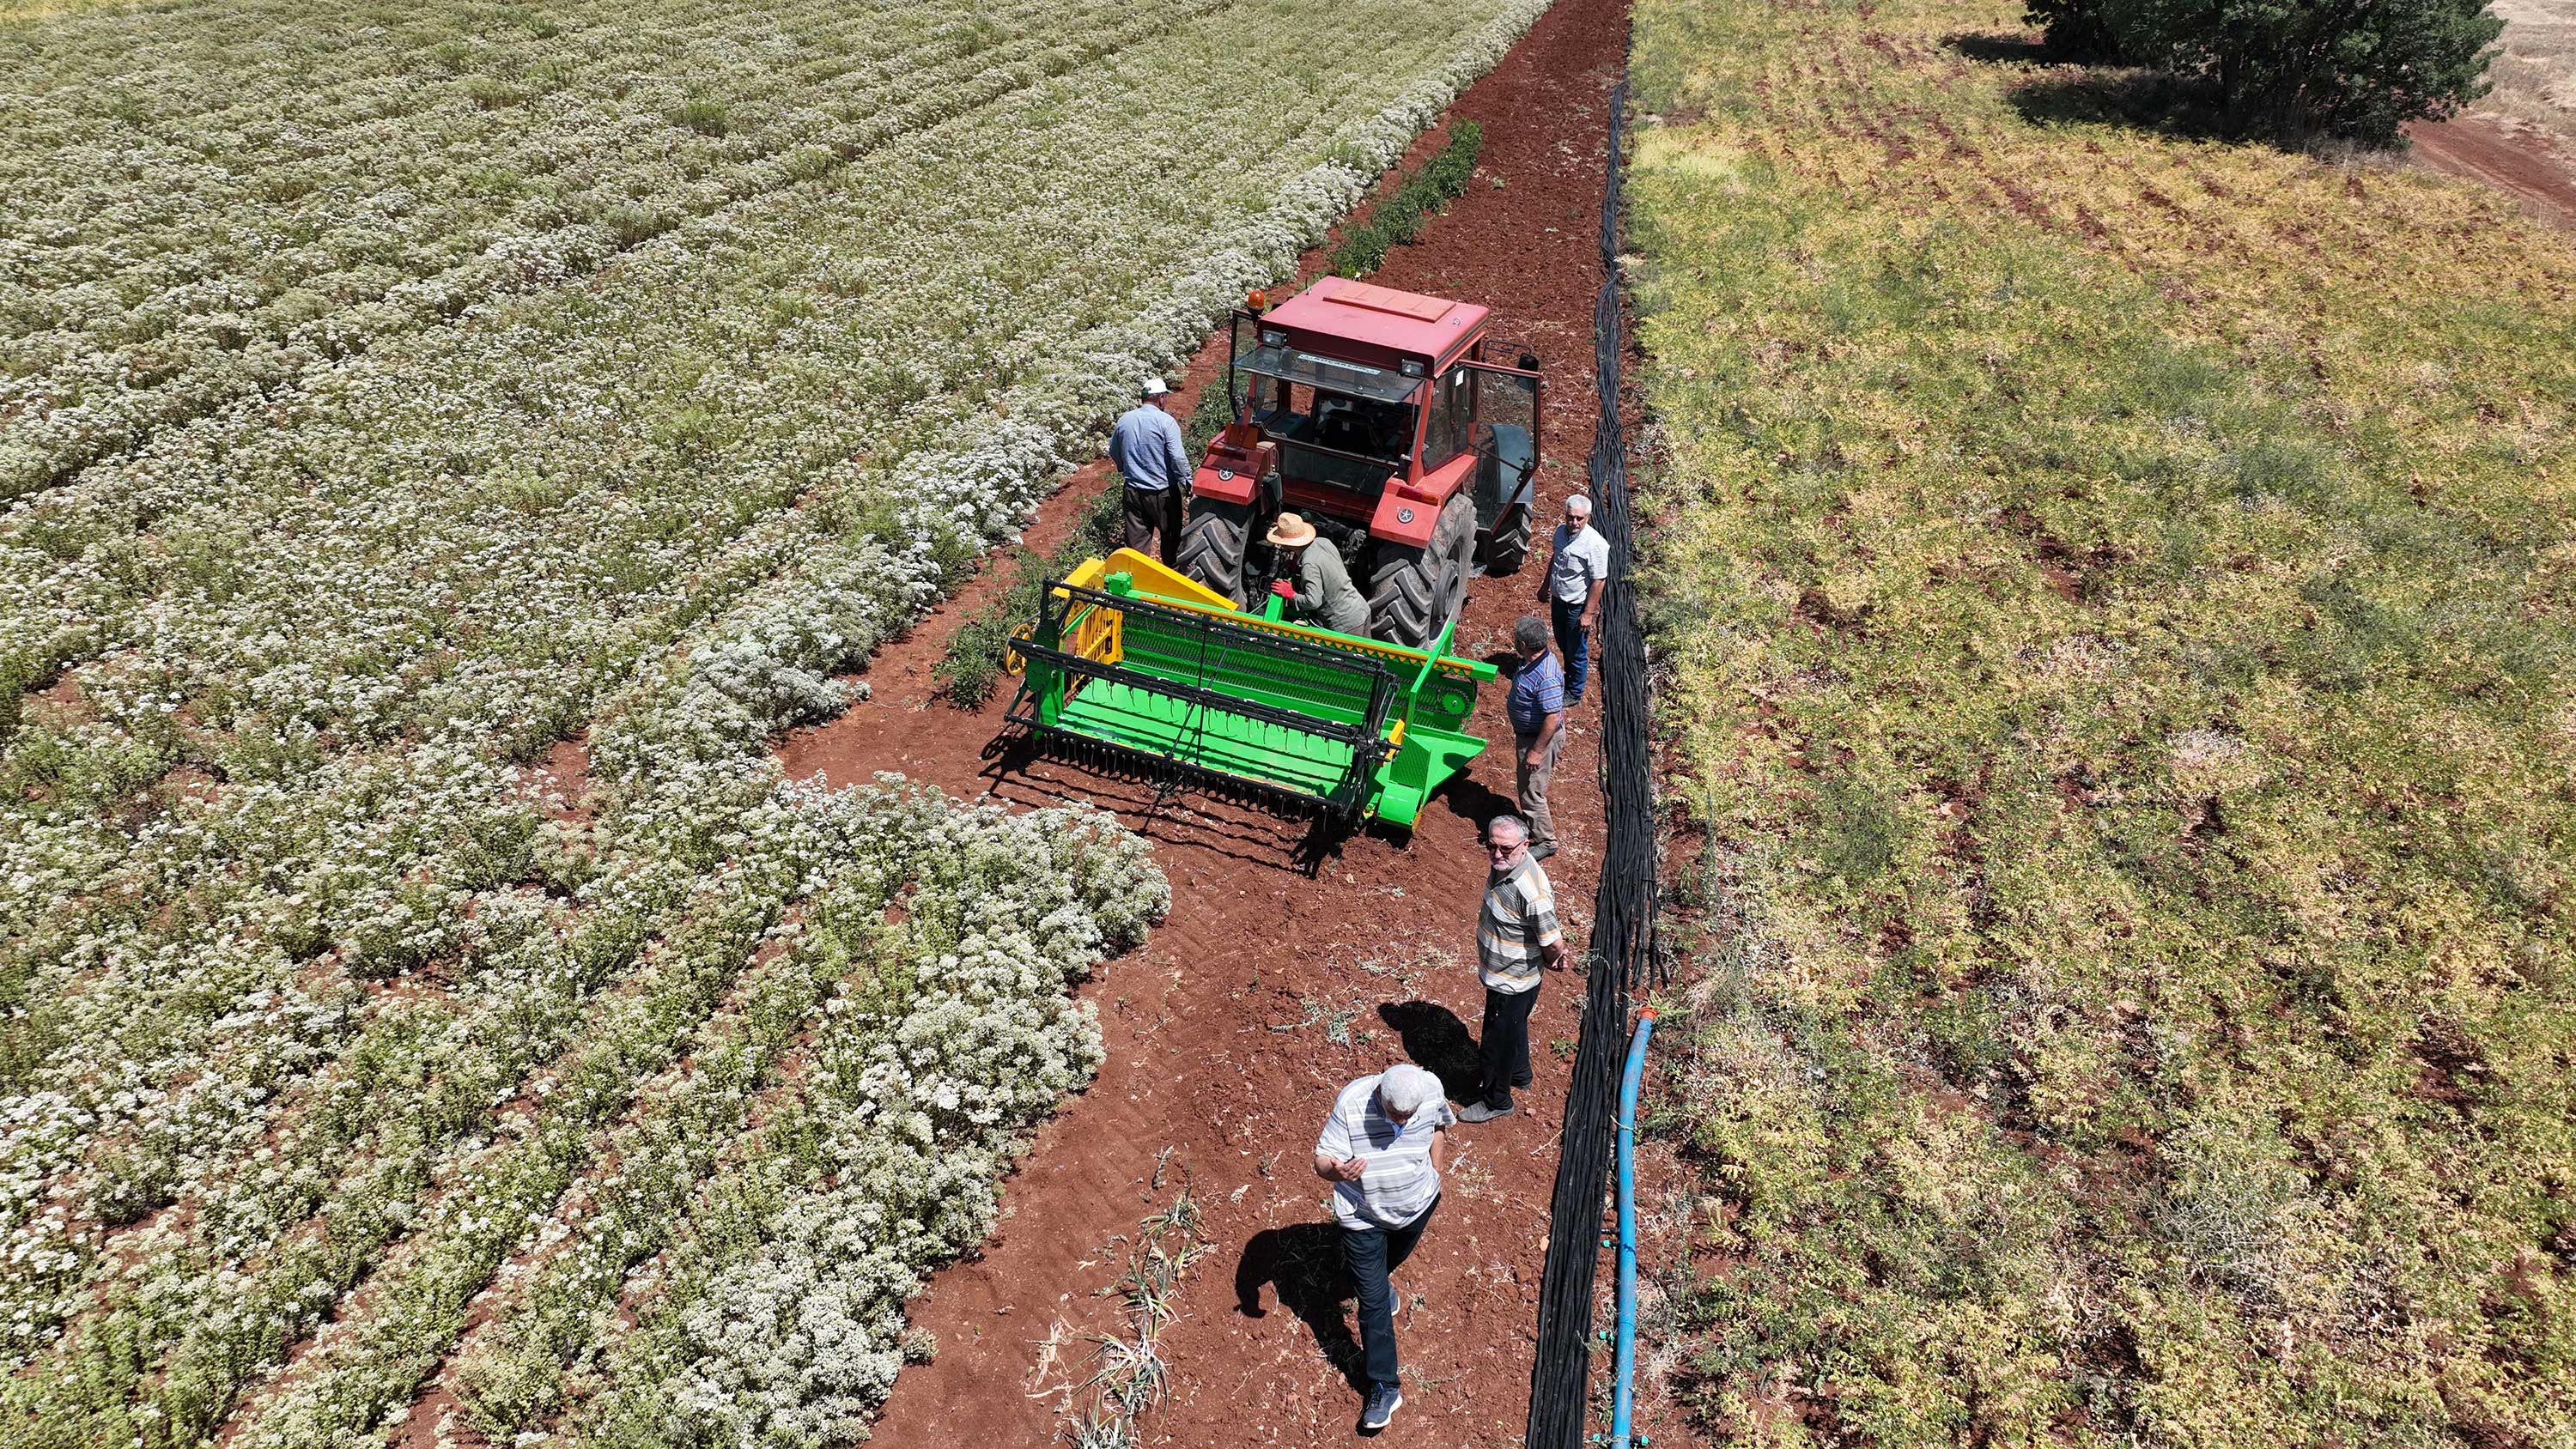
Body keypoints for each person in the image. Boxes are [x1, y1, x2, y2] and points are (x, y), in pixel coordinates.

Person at [1313, 1063, 1453, 1431]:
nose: (1403, 1124)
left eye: (1409, 1116)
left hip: (1417, 1206)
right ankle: (1385, 1386)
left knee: (1383, 1269)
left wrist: (1436, 1172)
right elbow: (1321, 1160)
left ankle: (1378, 1280)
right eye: (1394, 1115)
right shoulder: (1353, 1102)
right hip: (1363, 1216)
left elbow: (1439, 1126)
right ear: (1379, 1095)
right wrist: (1337, 1171)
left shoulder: (1431, 1089)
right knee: (1371, 1302)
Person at [1461, 815, 1563, 1124]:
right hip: (1505, 974)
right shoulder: (1506, 867)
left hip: (1514, 979)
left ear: (1525, 845)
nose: (1496, 854)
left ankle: (1496, 1100)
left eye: (1505, 848)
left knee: (1495, 1042)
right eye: (1491, 846)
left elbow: (1554, 941)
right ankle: (1520, 1074)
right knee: (1512, 1027)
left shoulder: (1530, 890)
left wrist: (1554, 958)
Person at [1534, 494, 1610, 704]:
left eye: (1579, 518)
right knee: (1562, 642)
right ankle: (1568, 680)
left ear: (1588, 518)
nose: (1574, 522)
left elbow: (1599, 580)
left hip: (1576, 606)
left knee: (1576, 650)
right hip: (1559, 600)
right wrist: (1545, 586)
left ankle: (1574, 693)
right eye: (1570, 517)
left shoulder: (1595, 544)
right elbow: (1556, 559)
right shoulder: (1560, 532)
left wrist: (1588, 613)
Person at [1108, 377, 1191, 567]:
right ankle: (1169, 578)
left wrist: (1125, 468)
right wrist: (1187, 481)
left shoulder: (1125, 420)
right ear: (1161, 398)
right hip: (1163, 494)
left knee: (1136, 546)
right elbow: (1177, 458)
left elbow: (1113, 451)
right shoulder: (1166, 422)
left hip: (1133, 491)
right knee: (1171, 540)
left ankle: (1136, 583)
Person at [1504, 615, 1564, 861]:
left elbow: (1552, 717)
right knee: (1527, 787)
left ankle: (1547, 841)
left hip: (1539, 740)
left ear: (1523, 644)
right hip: (1529, 736)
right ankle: (1532, 824)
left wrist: (1537, 751)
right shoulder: (1532, 661)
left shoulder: (1546, 676)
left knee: (1532, 791)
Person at [1265, 512, 1370, 634]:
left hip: (1345, 623)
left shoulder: (1309, 565)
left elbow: (1313, 602)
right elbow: (1327, 569)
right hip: (1361, 609)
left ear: (1286, 542)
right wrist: (1299, 568)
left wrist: (1291, 594)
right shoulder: (1323, 542)